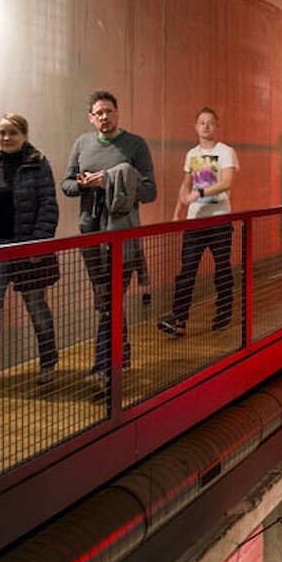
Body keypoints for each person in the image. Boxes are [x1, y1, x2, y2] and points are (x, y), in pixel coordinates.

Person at [62, 90, 156, 378]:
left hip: (122, 233)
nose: (104, 117)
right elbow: (66, 185)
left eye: (109, 111)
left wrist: (111, 182)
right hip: (90, 230)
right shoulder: (82, 144)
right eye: (99, 113)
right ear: (91, 117)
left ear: (117, 113)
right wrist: (83, 184)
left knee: (110, 297)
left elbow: (150, 191)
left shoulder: (135, 145)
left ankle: (104, 365)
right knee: (106, 298)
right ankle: (120, 355)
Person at [0, 113, 59, 400]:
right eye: (2, 132)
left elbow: (48, 208)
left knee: (36, 308)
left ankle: (48, 361)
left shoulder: (38, 165)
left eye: (12, 133)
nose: (6, 138)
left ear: (24, 135)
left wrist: (37, 245)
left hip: (27, 250)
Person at [158, 107, 239, 336]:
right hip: (195, 221)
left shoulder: (225, 151)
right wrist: (178, 212)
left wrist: (199, 194)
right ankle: (179, 319)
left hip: (219, 220)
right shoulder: (192, 154)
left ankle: (223, 313)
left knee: (222, 268)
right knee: (187, 270)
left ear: (216, 126)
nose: (206, 126)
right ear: (195, 127)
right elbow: (186, 184)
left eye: (210, 122)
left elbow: (226, 182)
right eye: (202, 123)